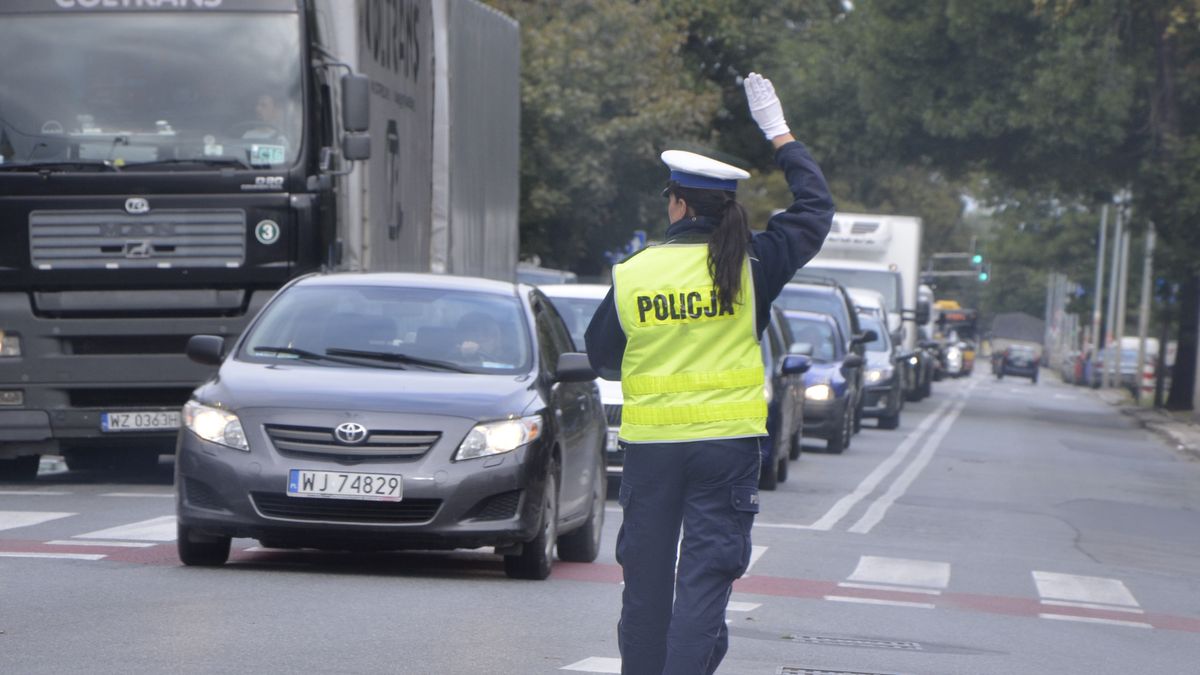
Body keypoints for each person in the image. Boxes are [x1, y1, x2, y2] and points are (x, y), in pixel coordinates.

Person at [585, 72, 834, 675]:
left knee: (645, 586)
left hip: (652, 452)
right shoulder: (755, 263)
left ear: (676, 204)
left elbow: (601, 357)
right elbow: (815, 208)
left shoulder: (636, 273)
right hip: (727, 448)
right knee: (704, 581)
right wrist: (779, 133)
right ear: (727, 207)